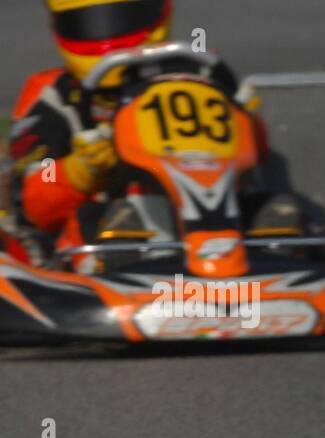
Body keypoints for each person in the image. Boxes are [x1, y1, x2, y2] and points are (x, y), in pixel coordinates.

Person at [5, 0, 295, 264]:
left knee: (277, 210)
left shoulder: (202, 72)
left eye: (126, 16)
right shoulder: (53, 96)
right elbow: (39, 191)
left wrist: (247, 123)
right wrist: (79, 171)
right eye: (88, 23)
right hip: (101, 235)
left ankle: (282, 260)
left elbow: (258, 154)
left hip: (214, 214)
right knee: (104, 220)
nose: (108, 32)